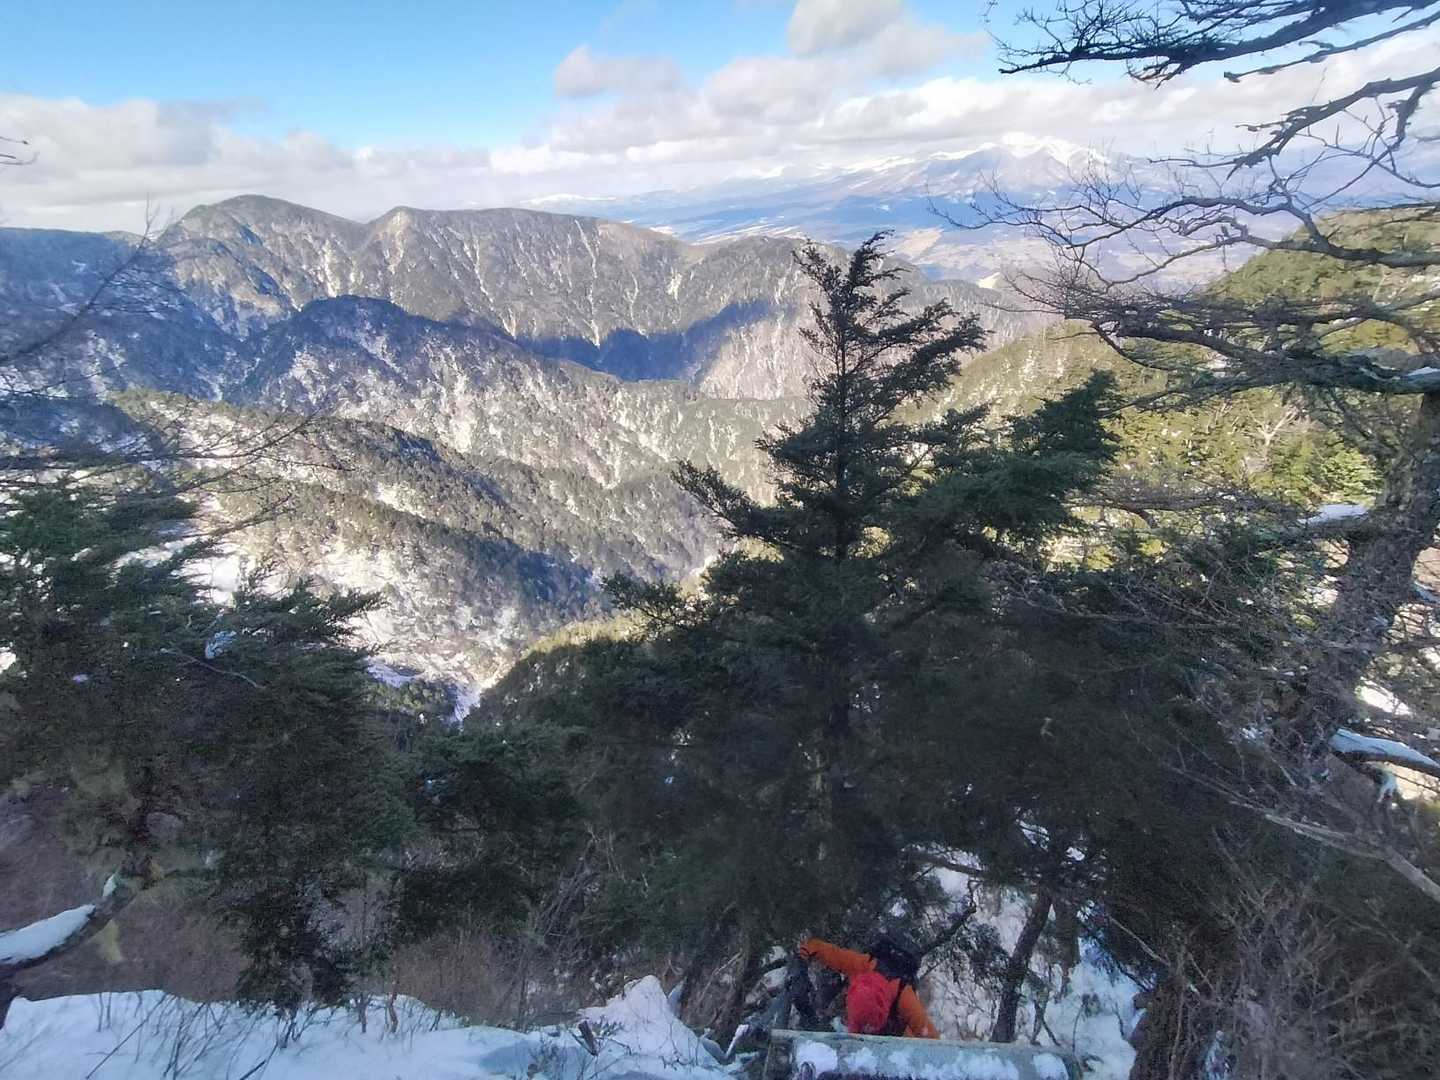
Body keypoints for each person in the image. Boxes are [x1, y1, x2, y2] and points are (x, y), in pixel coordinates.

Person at [796, 934, 938, 1039]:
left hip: (892, 1042)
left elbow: (931, 1039)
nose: (867, 1030)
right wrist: (806, 951)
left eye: (870, 1026)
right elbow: (831, 953)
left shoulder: (904, 996)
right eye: (861, 1025)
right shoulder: (862, 966)